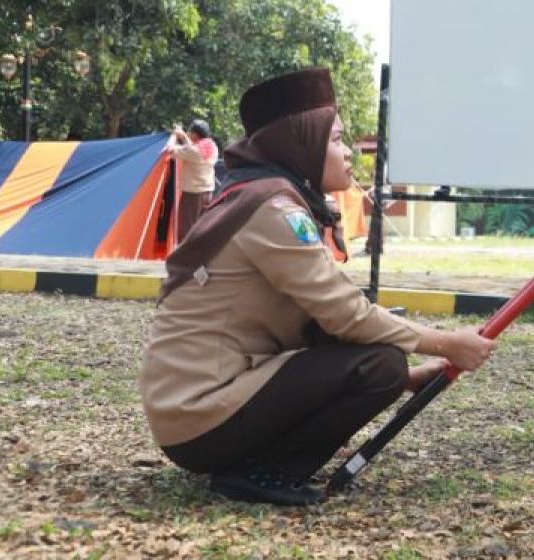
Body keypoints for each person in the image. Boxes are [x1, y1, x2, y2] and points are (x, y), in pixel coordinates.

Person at [139, 69, 496, 506]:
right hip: (199, 416)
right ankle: (262, 472)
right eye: (335, 140)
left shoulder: (264, 196)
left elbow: (325, 321)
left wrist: (408, 379)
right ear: (300, 142)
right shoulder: (273, 209)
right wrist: (447, 344)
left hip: (196, 413)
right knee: (380, 364)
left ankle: (258, 461)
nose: (348, 154)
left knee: (386, 365)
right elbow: (347, 314)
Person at [166, 118, 219, 243]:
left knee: (187, 229)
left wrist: (174, 135)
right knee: (201, 228)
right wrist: (183, 135)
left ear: (195, 135)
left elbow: (169, 149)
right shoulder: (212, 146)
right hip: (207, 193)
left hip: (193, 195)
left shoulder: (194, 151)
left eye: (190, 133)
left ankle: (185, 259)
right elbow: (193, 148)